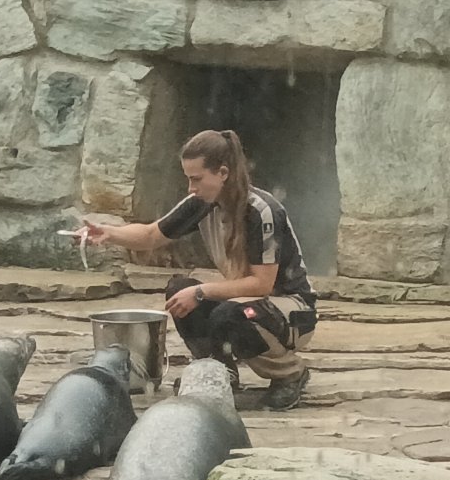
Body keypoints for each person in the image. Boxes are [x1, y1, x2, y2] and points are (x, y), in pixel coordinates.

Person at [78, 130, 318, 411]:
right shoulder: (202, 203)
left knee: (228, 312)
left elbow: (261, 284)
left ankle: (289, 374)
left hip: (291, 311)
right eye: (188, 178)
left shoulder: (261, 211)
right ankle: (217, 369)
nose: (191, 187)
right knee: (179, 291)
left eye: (196, 178)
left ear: (223, 173)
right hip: (249, 301)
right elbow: (151, 235)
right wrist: (108, 233)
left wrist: (201, 291)